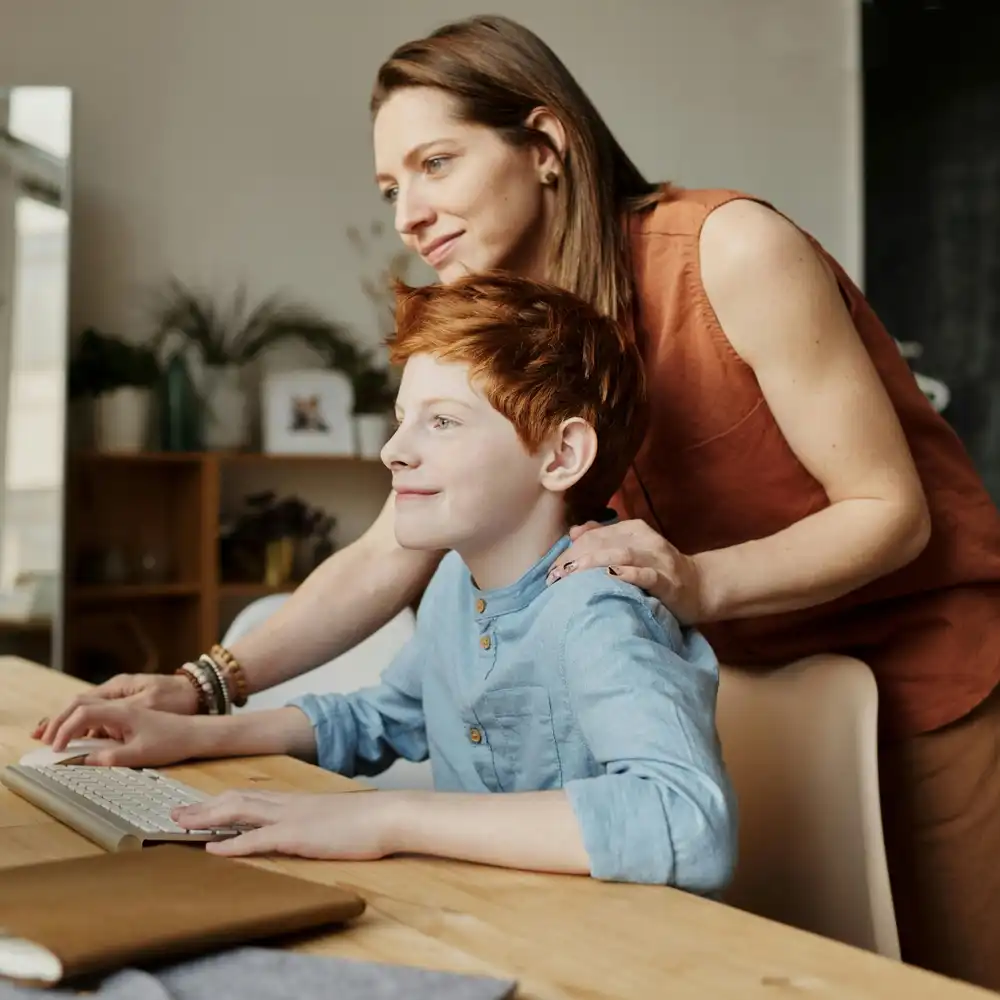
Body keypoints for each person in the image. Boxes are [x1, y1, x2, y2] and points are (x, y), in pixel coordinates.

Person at [37, 13, 1000, 987]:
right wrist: (205, 684)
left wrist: (696, 582)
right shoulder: (518, 323)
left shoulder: (730, 249)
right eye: (390, 187)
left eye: (435, 163)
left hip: (919, 664)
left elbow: (888, 510)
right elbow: (389, 550)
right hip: (737, 674)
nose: (408, 213)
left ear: (545, 146)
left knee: (950, 971)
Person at [47, 274, 736, 890]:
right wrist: (191, 733)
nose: (394, 449)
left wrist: (388, 819)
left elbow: (687, 820)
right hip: (489, 918)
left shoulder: (598, 609)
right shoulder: (452, 588)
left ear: (561, 455)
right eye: (404, 418)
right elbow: (384, 717)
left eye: (441, 422)